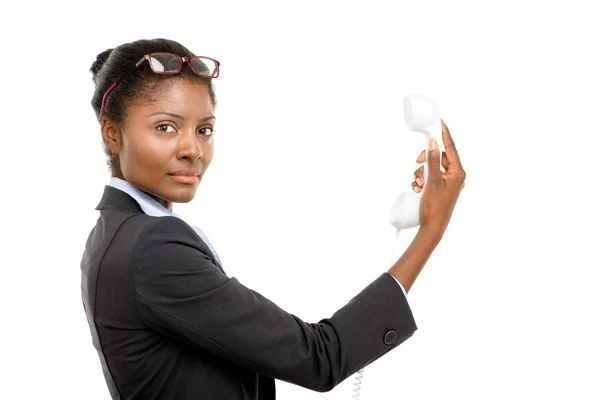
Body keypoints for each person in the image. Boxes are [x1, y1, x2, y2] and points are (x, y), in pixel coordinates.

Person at [80, 38, 466, 400]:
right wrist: (431, 229)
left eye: (204, 129)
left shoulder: (116, 231)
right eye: (165, 127)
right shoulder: (152, 248)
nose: (192, 149)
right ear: (112, 134)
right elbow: (320, 357)